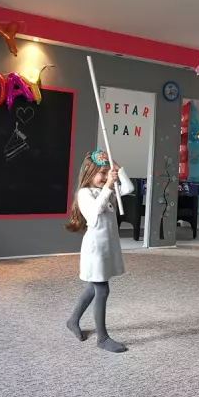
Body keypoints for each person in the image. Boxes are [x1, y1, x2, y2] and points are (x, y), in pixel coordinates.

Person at [65, 150, 134, 353]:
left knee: (90, 289)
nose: (105, 176)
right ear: (89, 172)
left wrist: (117, 167)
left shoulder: (108, 191)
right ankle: (102, 338)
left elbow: (128, 188)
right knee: (102, 290)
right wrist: (107, 186)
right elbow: (94, 215)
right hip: (95, 250)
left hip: (107, 247)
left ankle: (72, 320)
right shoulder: (85, 193)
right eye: (101, 172)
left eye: (107, 172)